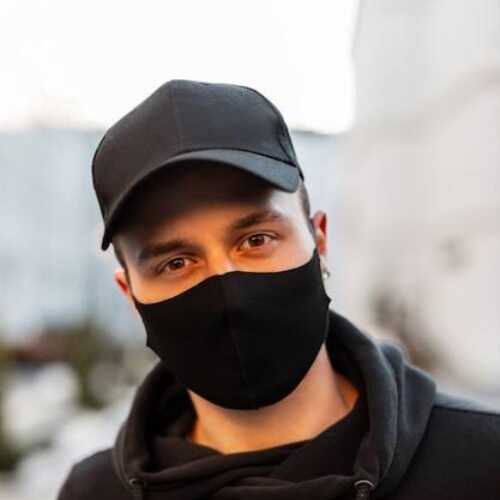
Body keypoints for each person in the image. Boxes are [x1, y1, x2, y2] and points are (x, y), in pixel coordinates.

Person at [57, 80, 500, 500]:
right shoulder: (94, 493)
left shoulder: (481, 466)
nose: (227, 289)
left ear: (319, 241)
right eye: (176, 263)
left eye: (256, 240)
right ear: (130, 295)